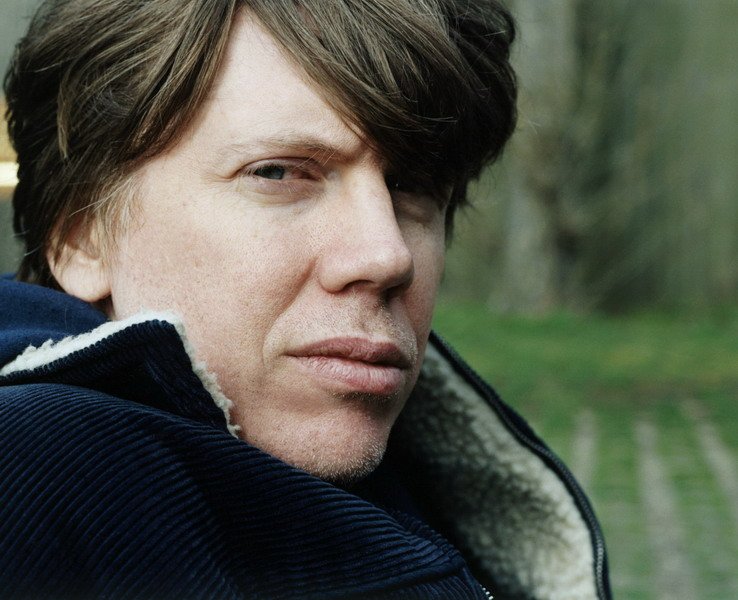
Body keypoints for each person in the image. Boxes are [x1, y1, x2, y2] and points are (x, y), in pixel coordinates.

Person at [0, 0, 610, 598]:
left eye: (413, 185)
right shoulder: (42, 467)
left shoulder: (424, 483)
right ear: (81, 237)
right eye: (278, 173)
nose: (387, 256)